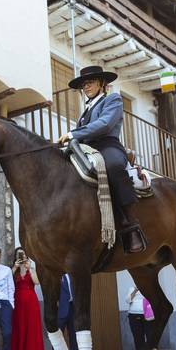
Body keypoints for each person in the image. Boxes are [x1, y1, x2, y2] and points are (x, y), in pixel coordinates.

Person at [56, 65, 145, 253]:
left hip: (107, 145)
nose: (86, 87)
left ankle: (131, 226)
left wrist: (73, 134)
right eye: (84, 84)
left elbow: (104, 125)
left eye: (90, 82)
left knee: (113, 167)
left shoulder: (113, 99)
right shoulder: (85, 111)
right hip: (86, 148)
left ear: (102, 83)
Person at [9, 248, 47, 350]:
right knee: (19, 329)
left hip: (31, 302)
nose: (22, 256)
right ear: (16, 257)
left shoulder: (32, 268)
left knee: (32, 330)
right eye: (19, 254)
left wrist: (30, 268)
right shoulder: (13, 270)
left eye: (24, 254)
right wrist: (15, 267)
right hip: (17, 302)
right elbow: (5, 280)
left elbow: (37, 282)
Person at [126, 285, 156, 350]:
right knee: (138, 338)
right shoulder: (132, 288)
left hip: (147, 315)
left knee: (150, 337)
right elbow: (128, 300)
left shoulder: (149, 288)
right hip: (134, 315)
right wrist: (135, 290)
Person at [57, 274, 79, 350]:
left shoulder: (73, 275)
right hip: (60, 309)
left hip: (73, 308)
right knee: (58, 337)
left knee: (74, 336)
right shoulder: (56, 275)